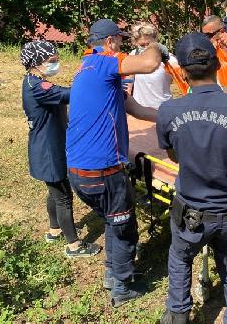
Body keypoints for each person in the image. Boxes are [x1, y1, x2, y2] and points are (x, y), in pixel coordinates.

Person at [156, 32, 227, 324]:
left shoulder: (168, 111)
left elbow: (174, 155)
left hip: (191, 209)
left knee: (180, 259)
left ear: (182, 72)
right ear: (218, 65)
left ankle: (178, 314)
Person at [66, 18, 162, 307]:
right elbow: (149, 64)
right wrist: (156, 44)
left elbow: (138, 110)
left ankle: (113, 273)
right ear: (109, 43)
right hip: (102, 170)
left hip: (80, 171)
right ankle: (121, 287)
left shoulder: (90, 71)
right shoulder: (103, 63)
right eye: (120, 42)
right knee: (124, 227)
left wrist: (173, 116)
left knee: (112, 219)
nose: (123, 47)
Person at [21, 41, 101, 257]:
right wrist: (90, 80)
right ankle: (73, 245)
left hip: (46, 148)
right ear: (36, 63)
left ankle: (54, 230)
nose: (56, 64)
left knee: (54, 192)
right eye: (51, 61)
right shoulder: (39, 87)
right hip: (49, 152)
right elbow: (69, 94)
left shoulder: (32, 81)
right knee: (63, 196)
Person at [129, 22, 177, 109]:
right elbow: (128, 84)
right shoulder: (133, 55)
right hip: (140, 112)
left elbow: (182, 74)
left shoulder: (167, 58)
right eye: (142, 45)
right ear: (136, 43)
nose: (146, 48)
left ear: (155, 40)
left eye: (149, 44)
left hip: (164, 110)